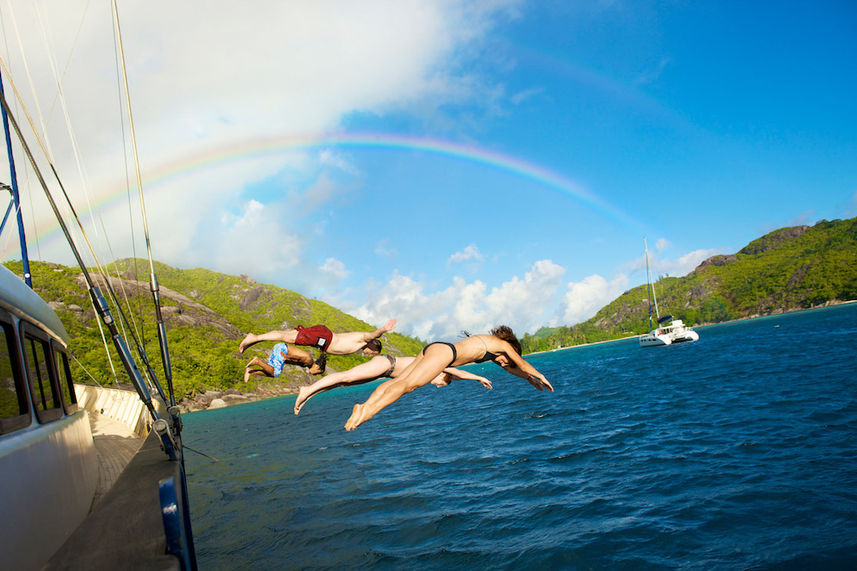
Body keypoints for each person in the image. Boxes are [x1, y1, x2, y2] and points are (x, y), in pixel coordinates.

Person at [344, 325, 553, 430]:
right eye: (508, 360)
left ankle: (364, 406)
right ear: (511, 350)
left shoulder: (492, 347)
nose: (505, 364)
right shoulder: (504, 346)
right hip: (445, 354)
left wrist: (528, 379)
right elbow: (521, 364)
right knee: (408, 385)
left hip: (436, 347)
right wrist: (540, 375)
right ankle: (368, 412)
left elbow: (513, 369)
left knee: (399, 381)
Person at [293, 354, 493, 414]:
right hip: (387, 363)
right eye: (441, 384)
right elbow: (456, 372)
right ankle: (307, 389)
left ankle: (310, 395)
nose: (437, 386)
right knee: (346, 376)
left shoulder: (429, 373)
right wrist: (479, 378)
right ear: (442, 376)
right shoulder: (437, 366)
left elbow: (453, 376)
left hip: (385, 370)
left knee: (344, 383)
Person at [239, 319, 396, 356]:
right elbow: (373, 334)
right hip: (323, 339)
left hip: (322, 338)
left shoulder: (360, 344)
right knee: (287, 337)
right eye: (372, 353)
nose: (369, 355)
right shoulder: (364, 339)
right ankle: (254, 337)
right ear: (373, 346)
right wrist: (383, 329)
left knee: (287, 336)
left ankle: (255, 338)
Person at [243, 343, 326, 382]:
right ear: (317, 367)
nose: (315, 375)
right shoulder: (309, 361)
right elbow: (298, 357)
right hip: (283, 349)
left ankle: (251, 371)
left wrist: (276, 358)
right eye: (317, 373)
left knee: (271, 373)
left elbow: (293, 361)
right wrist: (286, 357)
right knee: (276, 373)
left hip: (280, 348)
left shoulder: (306, 364)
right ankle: (257, 361)